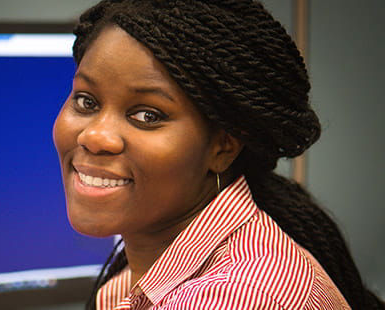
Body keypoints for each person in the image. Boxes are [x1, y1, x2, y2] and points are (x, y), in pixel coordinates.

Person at [52, 0, 384, 309]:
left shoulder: (238, 296)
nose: (95, 137)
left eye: (148, 115)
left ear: (223, 146)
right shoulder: (140, 274)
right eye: (86, 101)